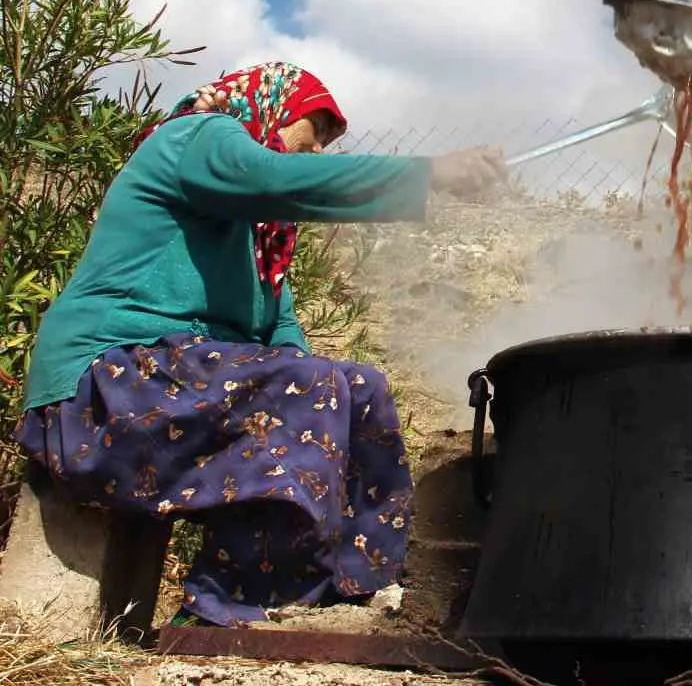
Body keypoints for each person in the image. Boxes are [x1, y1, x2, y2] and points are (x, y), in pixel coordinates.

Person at [14, 62, 507, 628]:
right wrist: (428, 173)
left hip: (172, 390)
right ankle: (239, 605)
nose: (318, 148)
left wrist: (335, 398)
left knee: (357, 388)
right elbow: (268, 176)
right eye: (314, 127)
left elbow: (292, 352)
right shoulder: (199, 136)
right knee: (308, 386)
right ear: (270, 105)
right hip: (100, 391)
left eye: (329, 138)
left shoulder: (261, 249)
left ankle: (339, 589)